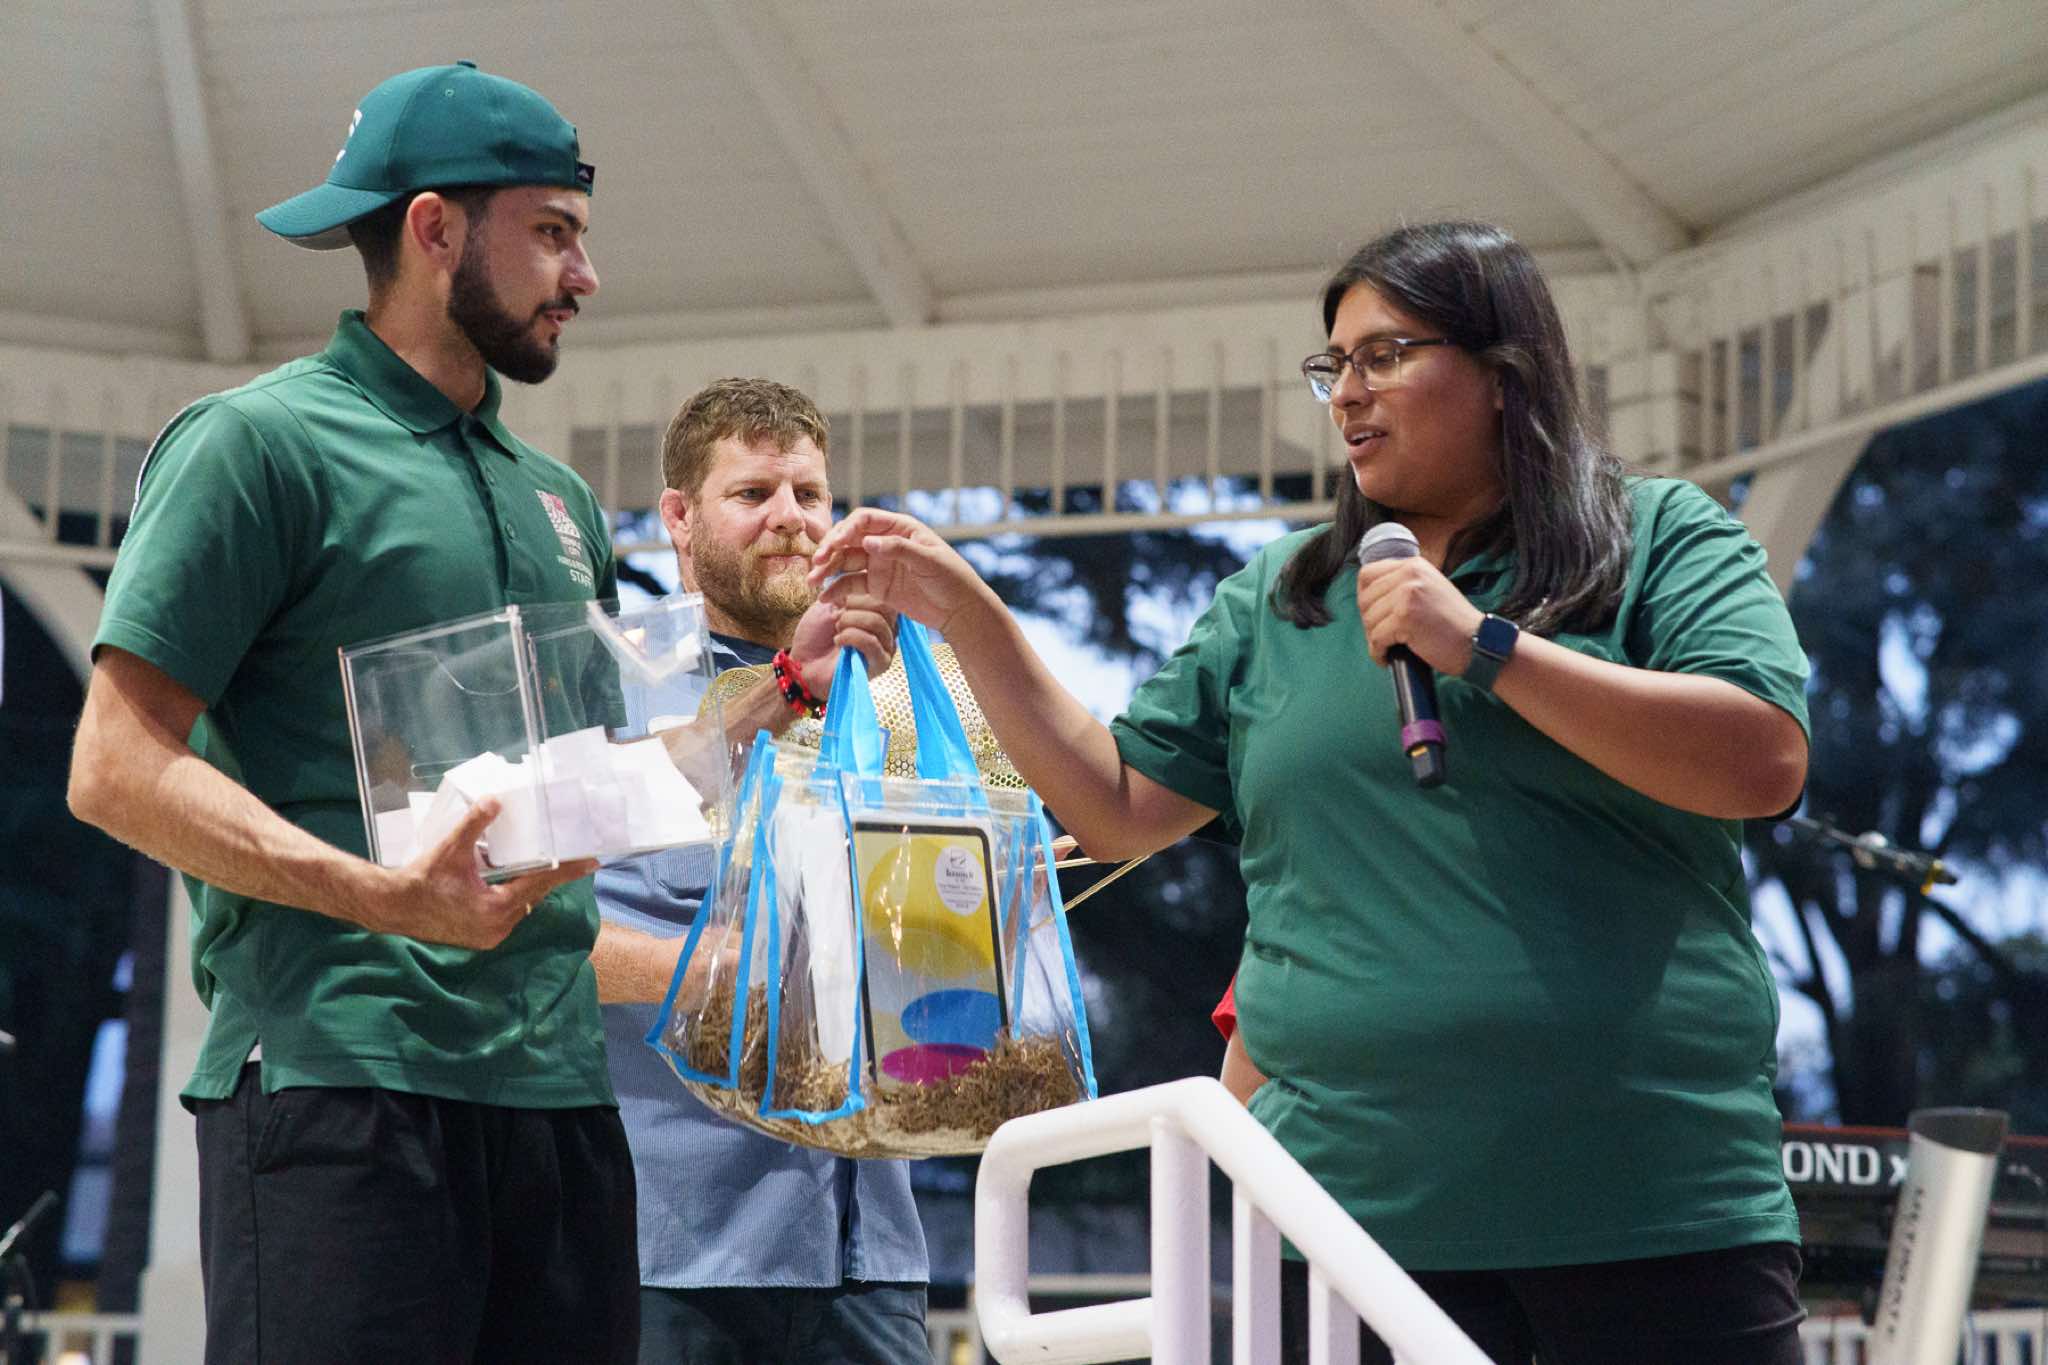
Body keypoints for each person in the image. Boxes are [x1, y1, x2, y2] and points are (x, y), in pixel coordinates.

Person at [810, 220, 1814, 1365]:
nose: (1346, 392)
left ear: (1502, 372)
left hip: (1648, 1197)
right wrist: (966, 613)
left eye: (1385, 354)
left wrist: (1480, 646)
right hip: (1342, 1217)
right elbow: (1116, 807)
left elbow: (1762, 760)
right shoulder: (1279, 595)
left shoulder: (1657, 538)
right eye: (1331, 365)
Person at [67, 62, 639, 1363]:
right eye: (552, 232)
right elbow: (113, 765)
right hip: (336, 1088)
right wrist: (382, 897)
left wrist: (768, 704)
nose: (584, 276)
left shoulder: (559, 500)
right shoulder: (255, 444)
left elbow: (583, 793)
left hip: (560, 1102)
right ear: (434, 228)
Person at [589, 378, 932, 1365]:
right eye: (752, 494)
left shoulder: (902, 691)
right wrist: (708, 972)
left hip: (872, 1253)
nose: (790, 517)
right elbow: (528, 933)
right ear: (678, 518)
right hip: (669, 1249)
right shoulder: (608, 687)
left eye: (809, 493)